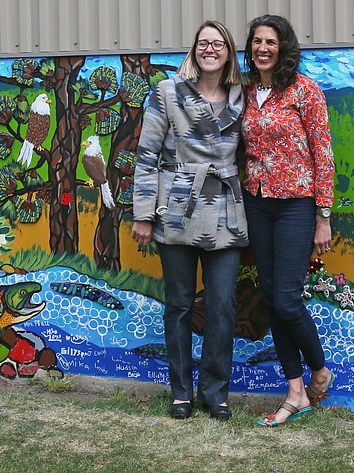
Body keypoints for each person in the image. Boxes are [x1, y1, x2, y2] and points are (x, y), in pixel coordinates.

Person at [132, 20, 247, 421]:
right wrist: (143, 215)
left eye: (218, 44)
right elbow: (146, 156)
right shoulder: (167, 92)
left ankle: (215, 392)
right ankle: (181, 392)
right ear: (193, 50)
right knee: (179, 305)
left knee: (222, 307)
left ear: (229, 52)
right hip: (177, 208)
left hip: (226, 211)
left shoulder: (242, 96)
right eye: (203, 43)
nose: (210, 49)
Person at [240, 14, 336, 427]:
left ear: (283, 48)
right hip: (257, 202)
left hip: (296, 204)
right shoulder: (243, 91)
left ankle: (319, 370)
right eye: (257, 41)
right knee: (271, 298)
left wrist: (323, 217)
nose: (263, 48)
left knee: (286, 299)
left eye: (271, 42)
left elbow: (323, 154)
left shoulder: (305, 91)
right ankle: (296, 392)